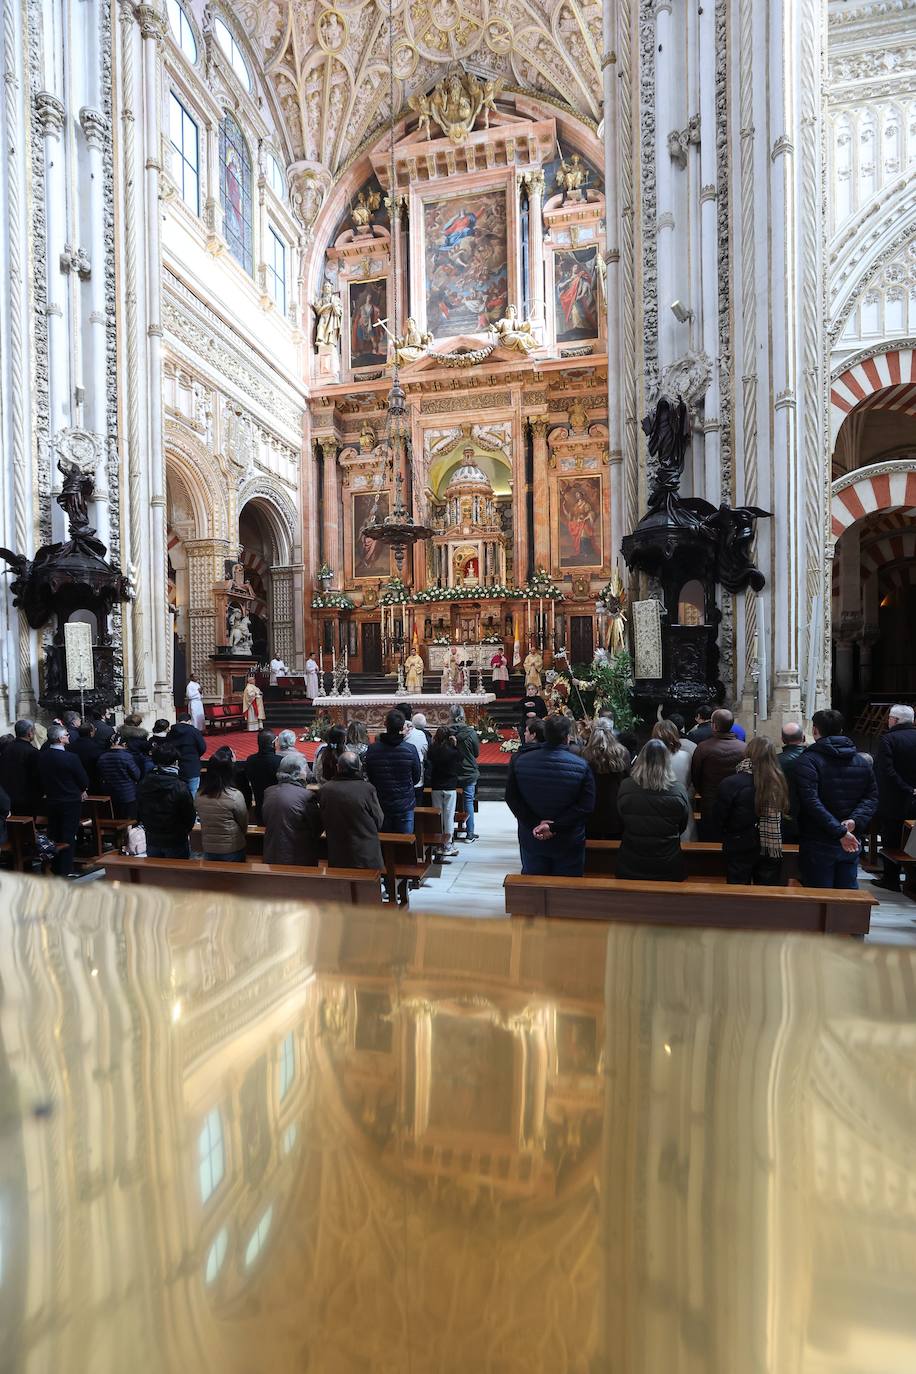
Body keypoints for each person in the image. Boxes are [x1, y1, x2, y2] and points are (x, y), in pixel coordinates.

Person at [793, 708, 878, 890]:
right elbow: (870, 798)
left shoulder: (808, 760)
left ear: (815, 730)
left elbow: (810, 802)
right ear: (841, 730)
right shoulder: (861, 761)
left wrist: (841, 831)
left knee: (818, 901)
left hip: (819, 840)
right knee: (845, 902)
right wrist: (852, 823)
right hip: (849, 839)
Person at [506, 713, 595, 876]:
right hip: (567, 838)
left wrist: (536, 823)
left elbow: (512, 798)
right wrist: (554, 826)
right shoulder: (582, 765)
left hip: (533, 834)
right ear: (567, 737)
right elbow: (585, 806)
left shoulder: (520, 761)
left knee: (535, 889)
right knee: (567, 892)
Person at [715, 737, 789, 885]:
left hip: (739, 843)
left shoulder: (731, 783)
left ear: (748, 753)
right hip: (770, 844)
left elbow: (719, 816)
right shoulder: (779, 781)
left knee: (738, 892)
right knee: (767, 895)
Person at [615, 739, 691, 883]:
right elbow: (682, 824)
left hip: (631, 861)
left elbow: (621, 819)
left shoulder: (626, 786)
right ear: (666, 761)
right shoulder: (678, 789)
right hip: (668, 861)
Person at [36, 723, 90, 876]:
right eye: (66, 734)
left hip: (52, 799)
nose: (68, 736)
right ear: (60, 739)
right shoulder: (70, 758)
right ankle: (65, 869)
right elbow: (83, 779)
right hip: (70, 801)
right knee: (68, 835)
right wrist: (83, 789)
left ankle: (54, 865)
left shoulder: (43, 756)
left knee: (54, 832)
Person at [873, 704, 916, 892]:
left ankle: (890, 878)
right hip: (913, 798)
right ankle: (912, 879)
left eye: (889, 717)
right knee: (913, 839)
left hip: (895, 799)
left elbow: (886, 771)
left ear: (895, 720)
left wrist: (907, 788)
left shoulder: (888, 739)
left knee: (891, 838)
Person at [318, 751, 386, 870]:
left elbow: (322, 819)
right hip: (365, 852)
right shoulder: (367, 789)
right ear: (359, 768)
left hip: (338, 852)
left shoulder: (325, 789)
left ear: (338, 767)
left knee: (341, 887)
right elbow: (379, 820)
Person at [690, 708, 746, 840]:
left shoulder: (703, 748)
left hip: (711, 800)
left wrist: (703, 791)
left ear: (714, 725)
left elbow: (695, 776)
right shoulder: (744, 748)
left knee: (710, 836)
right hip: (737, 802)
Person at [363, 709, 421, 834]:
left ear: (385, 724)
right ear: (402, 727)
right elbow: (416, 777)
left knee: (384, 844)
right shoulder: (410, 749)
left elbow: (370, 775)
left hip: (381, 801)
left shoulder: (373, 749)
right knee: (404, 845)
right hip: (405, 803)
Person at [135, 743, 197, 859]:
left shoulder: (144, 782)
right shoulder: (180, 786)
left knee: (156, 875)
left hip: (152, 836)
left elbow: (139, 809)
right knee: (177, 874)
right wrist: (183, 831)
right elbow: (189, 816)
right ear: (175, 762)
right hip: (175, 839)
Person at [261, 754, 321, 866]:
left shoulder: (268, 792)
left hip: (271, 855)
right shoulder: (307, 796)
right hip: (297, 858)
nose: (307, 772)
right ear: (297, 773)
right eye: (305, 769)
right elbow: (317, 828)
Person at [194, 745, 249, 862]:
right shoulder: (234, 796)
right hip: (232, 848)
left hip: (209, 847)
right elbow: (243, 822)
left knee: (212, 879)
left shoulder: (199, 795)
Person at [584, 721, 630, 840]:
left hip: (592, 806)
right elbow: (628, 779)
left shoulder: (585, 753)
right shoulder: (622, 752)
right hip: (615, 806)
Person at [653, 719, 697, 839]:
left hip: (655, 803)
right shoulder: (685, 756)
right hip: (680, 801)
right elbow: (689, 782)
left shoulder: (648, 757)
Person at [427, 725, 461, 861]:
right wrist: (455, 746)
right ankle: (447, 844)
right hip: (450, 786)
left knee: (438, 816)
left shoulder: (432, 750)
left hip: (436, 786)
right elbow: (460, 761)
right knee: (449, 815)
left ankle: (438, 844)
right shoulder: (452, 751)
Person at [449, 704, 481, 842]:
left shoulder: (447, 732)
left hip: (452, 771)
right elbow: (476, 753)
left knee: (450, 802)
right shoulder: (470, 732)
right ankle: (469, 833)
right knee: (468, 800)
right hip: (468, 771)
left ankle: (448, 832)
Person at [0, 719, 42, 816]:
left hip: (7, 796)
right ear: (30, 733)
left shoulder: (6, 749)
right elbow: (37, 777)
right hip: (27, 799)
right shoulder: (33, 752)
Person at [96, 733, 142, 819]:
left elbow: (100, 774)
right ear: (124, 744)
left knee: (114, 818)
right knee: (128, 819)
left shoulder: (102, 757)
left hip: (109, 793)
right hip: (127, 794)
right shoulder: (127, 757)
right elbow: (136, 775)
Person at [777, 722, 806, 842]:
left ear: (783, 739)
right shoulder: (813, 759)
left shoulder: (775, 761)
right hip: (809, 816)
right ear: (803, 738)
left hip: (783, 815)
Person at [244, 729, 281, 823]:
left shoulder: (250, 760)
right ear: (273, 743)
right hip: (277, 807)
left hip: (259, 805)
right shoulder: (280, 761)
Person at [168, 711, 207, 797]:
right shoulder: (194, 731)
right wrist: (196, 755)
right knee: (192, 791)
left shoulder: (171, 732)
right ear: (189, 721)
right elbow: (202, 747)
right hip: (192, 764)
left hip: (176, 765)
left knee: (178, 792)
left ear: (178, 721)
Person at [69, 723, 106, 793]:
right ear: (91, 732)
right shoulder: (96, 747)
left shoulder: (71, 746)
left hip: (76, 782)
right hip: (93, 782)